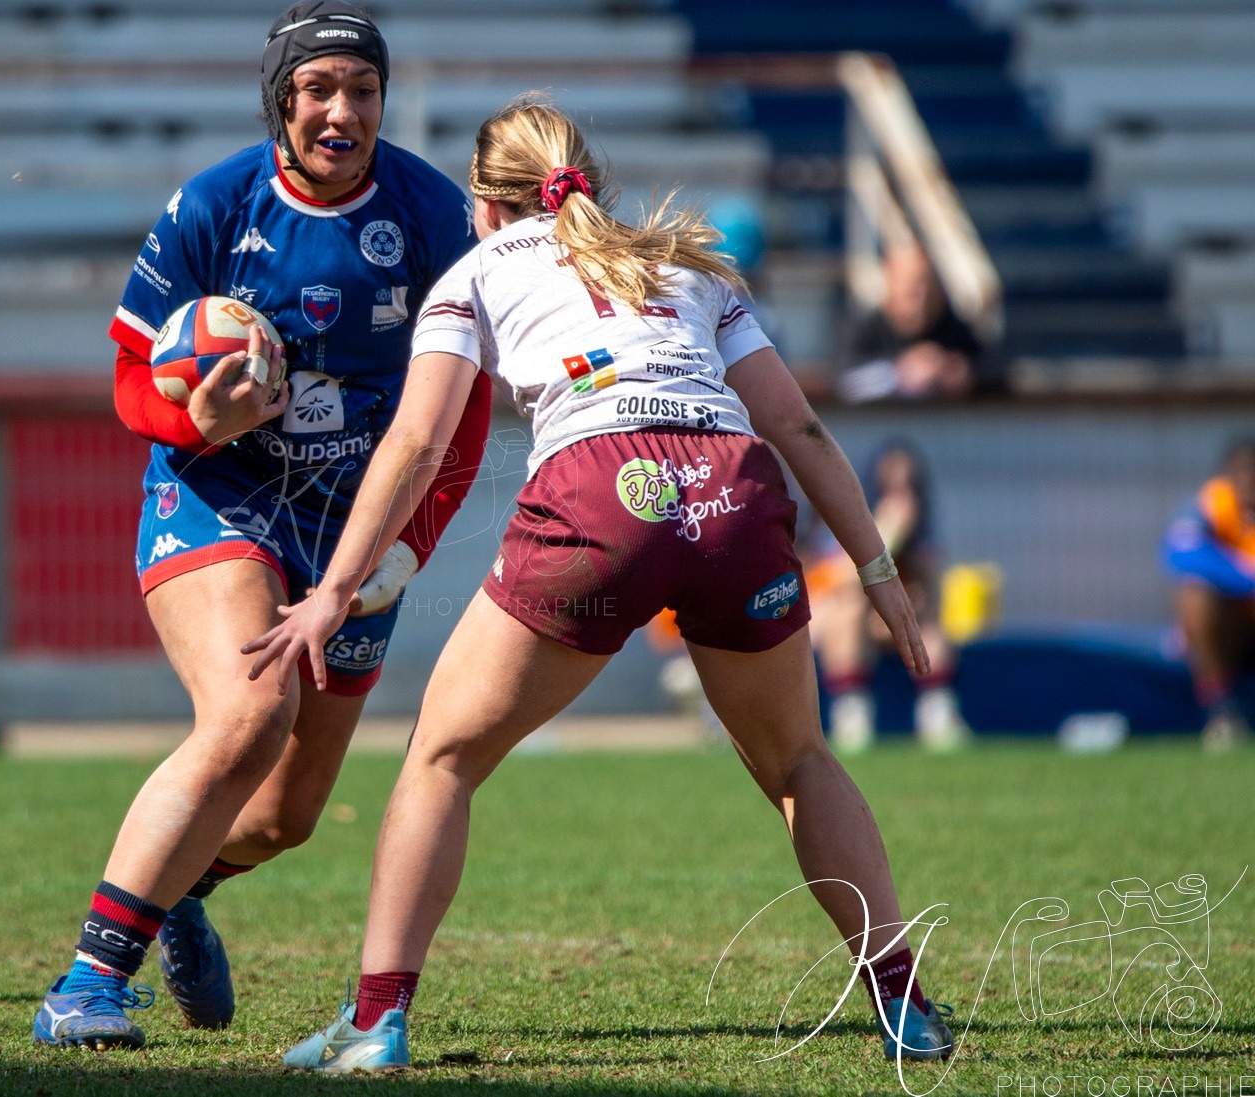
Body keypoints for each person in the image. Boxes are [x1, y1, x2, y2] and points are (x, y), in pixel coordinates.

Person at [245, 97, 955, 1072]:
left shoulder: (475, 272)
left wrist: (333, 588)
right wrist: (876, 571)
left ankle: (376, 1025)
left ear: (484, 208)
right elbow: (799, 430)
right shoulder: (693, 267)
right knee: (799, 762)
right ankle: (905, 1008)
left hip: (600, 491)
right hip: (732, 495)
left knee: (442, 759)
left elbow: (414, 443)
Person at [30, 0, 493, 1050]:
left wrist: (409, 548)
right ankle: (87, 984)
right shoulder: (214, 204)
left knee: (285, 816)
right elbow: (126, 377)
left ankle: (175, 891)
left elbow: (461, 416)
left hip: (354, 534)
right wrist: (194, 415)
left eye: (363, 90)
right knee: (250, 712)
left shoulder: (428, 216)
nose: (343, 111)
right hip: (214, 493)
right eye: (320, 90)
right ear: (280, 101)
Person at [808, 439, 971, 753]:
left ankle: (939, 715)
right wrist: (887, 532)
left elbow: (930, 593)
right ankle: (851, 718)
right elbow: (844, 583)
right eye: (891, 487)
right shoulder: (845, 527)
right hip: (841, 620)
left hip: (897, 626)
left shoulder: (922, 542)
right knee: (850, 612)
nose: (900, 497)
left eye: (907, 487)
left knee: (926, 622)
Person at [1161, 438, 1255, 751]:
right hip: (1231, 628)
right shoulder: (1208, 506)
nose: (1250, 481)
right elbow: (1182, 553)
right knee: (1195, 592)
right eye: (1242, 472)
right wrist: (1248, 576)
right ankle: (1222, 710)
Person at [837, 241, 988, 404]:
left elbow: (997, 371)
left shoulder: (956, 330)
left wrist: (964, 373)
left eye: (929, 291)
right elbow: (844, 384)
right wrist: (901, 373)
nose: (922, 301)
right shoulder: (864, 328)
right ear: (893, 285)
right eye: (913, 292)